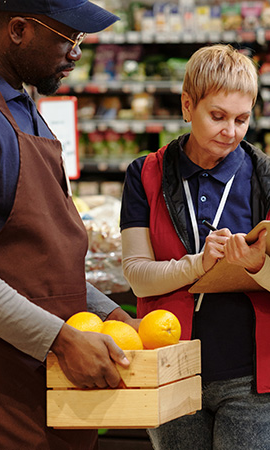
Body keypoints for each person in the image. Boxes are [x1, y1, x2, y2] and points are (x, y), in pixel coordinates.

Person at [0, 1, 139, 449]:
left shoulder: (24, 106)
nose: (77, 54)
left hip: (55, 393)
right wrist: (59, 340)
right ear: (20, 29)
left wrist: (113, 315)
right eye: (68, 38)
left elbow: (39, 266)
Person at [120, 44, 270, 450]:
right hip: (169, 367)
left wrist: (258, 266)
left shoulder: (264, 176)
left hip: (251, 379)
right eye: (217, 116)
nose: (231, 131)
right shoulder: (144, 175)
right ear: (188, 106)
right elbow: (136, 276)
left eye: (242, 119)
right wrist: (198, 264)